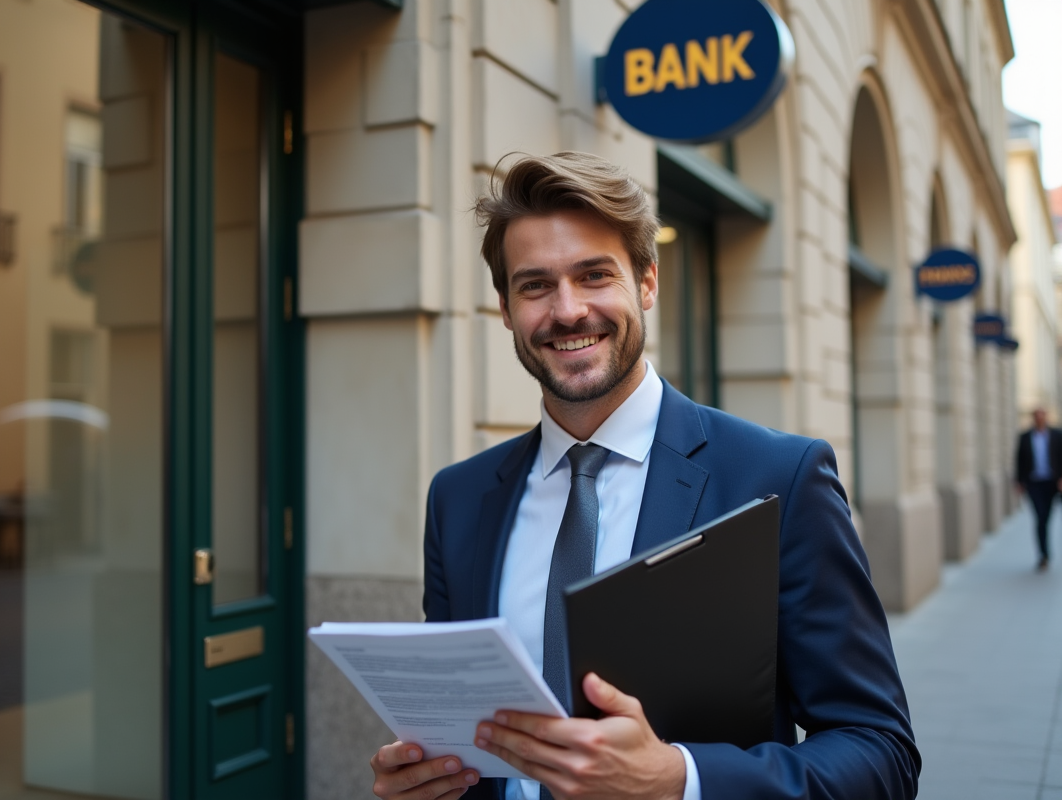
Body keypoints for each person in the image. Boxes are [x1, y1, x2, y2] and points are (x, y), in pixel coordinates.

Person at [369, 152, 919, 800]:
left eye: (594, 275)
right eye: (536, 285)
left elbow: (879, 752)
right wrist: (423, 780)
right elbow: (463, 736)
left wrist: (679, 781)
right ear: (505, 307)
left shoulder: (779, 478)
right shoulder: (457, 500)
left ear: (648, 282)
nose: (568, 311)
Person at [1016, 408, 1062, 570]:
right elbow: (1019, 460)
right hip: (1033, 482)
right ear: (1033, 419)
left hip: (1051, 482)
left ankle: (1045, 553)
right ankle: (1043, 554)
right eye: (1036, 417)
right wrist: (1019, 482)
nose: (1039, 419)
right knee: (1040, 516)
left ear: (1046, 418)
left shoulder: (1057, 435)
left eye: (1042, 416)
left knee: (1046, 517)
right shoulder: (1025, 437)